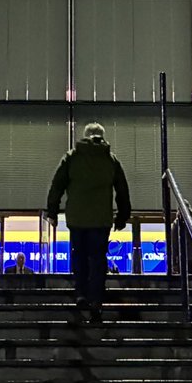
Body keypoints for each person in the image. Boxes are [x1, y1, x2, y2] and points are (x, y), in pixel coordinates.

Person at [47, 122, 131, 324]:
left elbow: (57, 185)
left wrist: (52, 211)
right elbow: (122, 190)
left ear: (84, 136)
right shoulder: (110, 160)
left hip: (76, 218)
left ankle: (81, 294)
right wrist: (122, 216)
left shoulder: (71, 157)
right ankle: (96, 300)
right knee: (98, 259)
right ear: (103, 137)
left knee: (79, 256)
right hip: (101, 219)